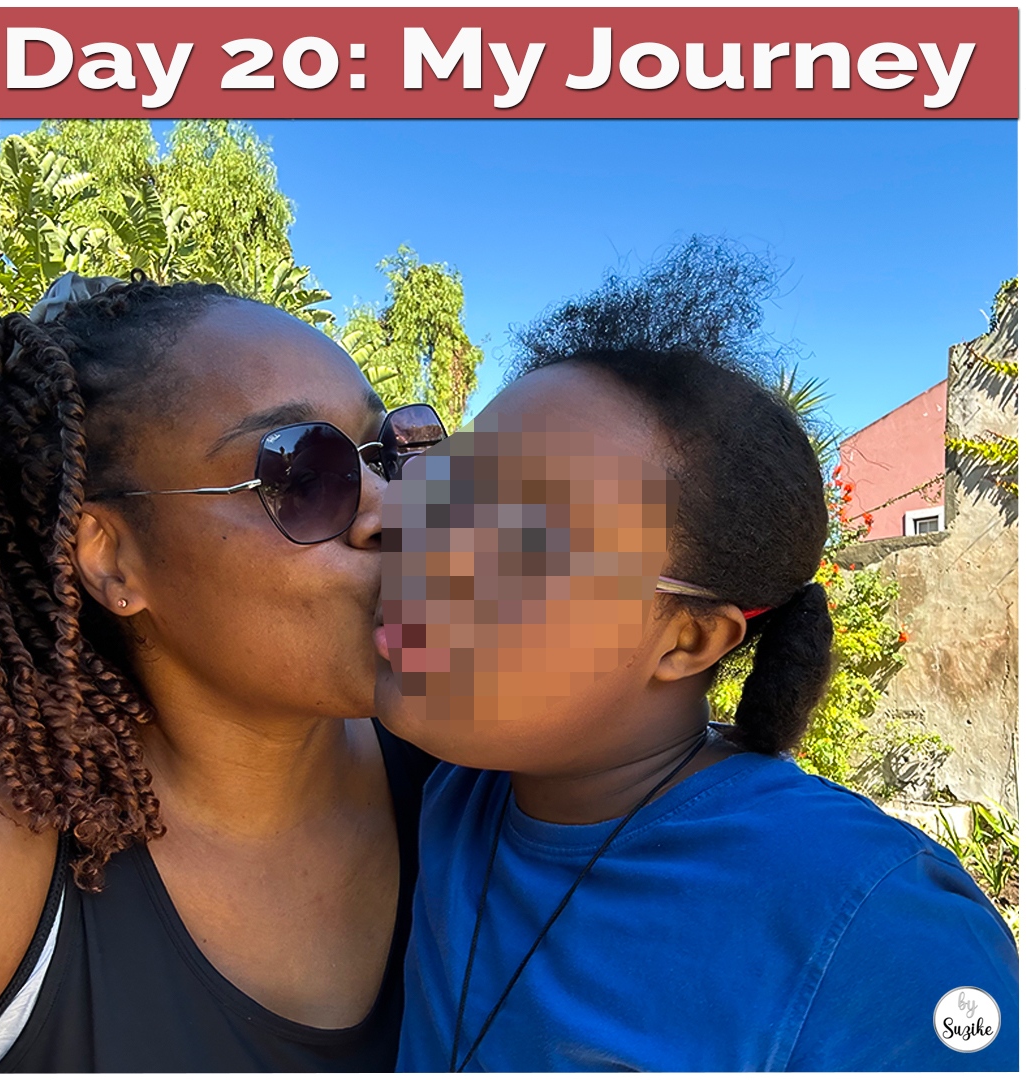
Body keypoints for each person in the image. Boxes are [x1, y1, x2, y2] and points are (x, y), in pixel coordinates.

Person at [374, 251, 1019, 1071]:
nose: (407, 532)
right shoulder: (452, 784)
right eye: (442, 484)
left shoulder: (874, 929)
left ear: (688, 639)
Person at [0, 272, 444, 1071]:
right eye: (306, 475)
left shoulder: (470, 773)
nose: (393, 511)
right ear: (112, 559)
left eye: (387, 455)